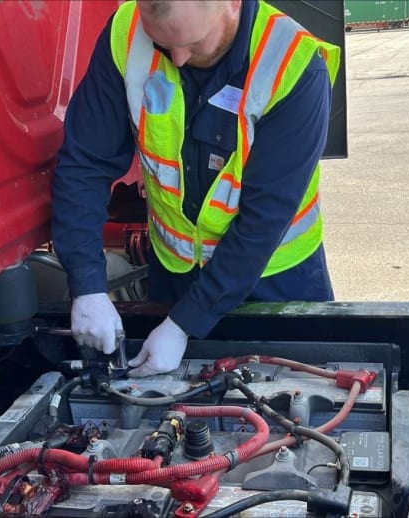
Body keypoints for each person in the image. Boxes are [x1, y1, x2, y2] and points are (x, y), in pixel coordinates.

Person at [51, 0, 340, 377]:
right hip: (176, 272)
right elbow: (85, 163)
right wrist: (87, 284)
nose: (179, 59)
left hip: (275, 280)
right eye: (163, 44)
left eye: (195, 42)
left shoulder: (293, 63)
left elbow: (263, 221)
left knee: (294, 404)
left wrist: (183, 324)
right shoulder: (126, 33)